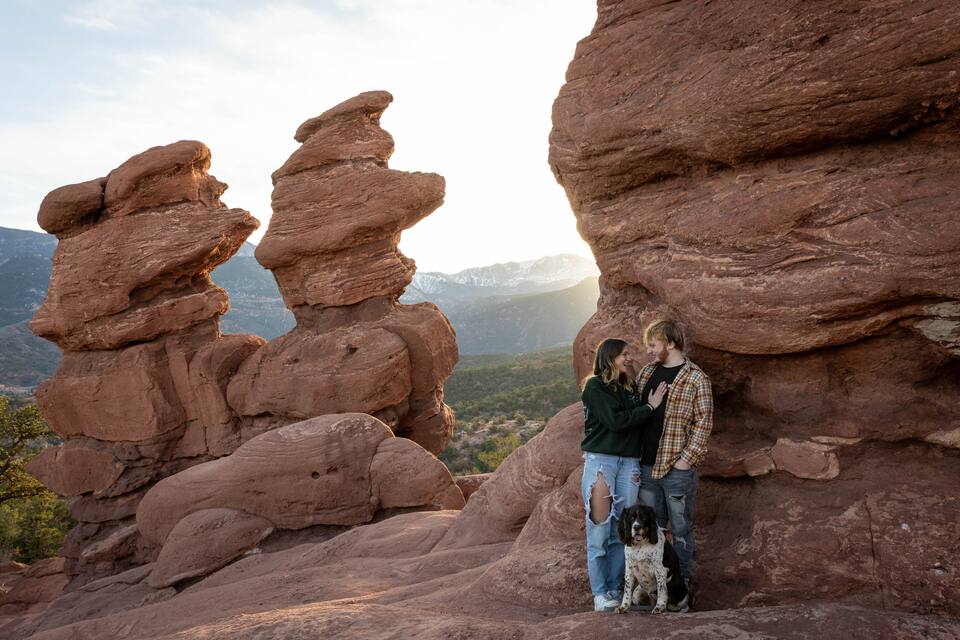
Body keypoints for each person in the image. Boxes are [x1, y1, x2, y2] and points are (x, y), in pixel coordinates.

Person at [580, 338, 667, 612]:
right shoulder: (595, 386)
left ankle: (616, 590)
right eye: (624, 354)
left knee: (623, 530)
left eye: (629, 354)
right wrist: (649, 407)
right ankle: (600, 594)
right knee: (599, 530)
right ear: (609, 358)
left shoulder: (629, 387)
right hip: (602, 462)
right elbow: (617, 422)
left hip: (629, 463)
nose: (629, 358)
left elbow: (634, 422)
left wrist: (643, 409)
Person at [635, 319, 714, 597]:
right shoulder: (647, 373)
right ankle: (652, 587)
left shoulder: (696, 378)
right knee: (650, 531)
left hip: (677, 470)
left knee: (680, 531)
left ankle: (681, 589)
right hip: (646, 468)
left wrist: (686, 460)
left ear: (670, 343)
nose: (648, 351)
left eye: (653, 345)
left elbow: (703, 423)